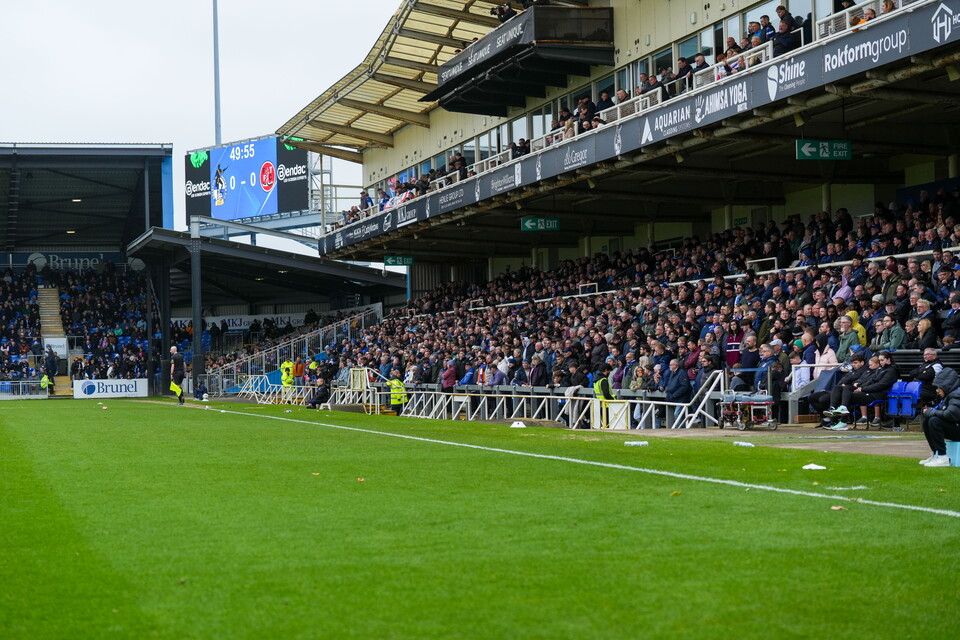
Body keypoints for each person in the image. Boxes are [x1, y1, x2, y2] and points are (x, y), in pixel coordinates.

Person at [919, 368, 960, 467]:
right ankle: (936, 454)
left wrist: (932, 412)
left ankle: (943, 457)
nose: (937, 391)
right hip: (955, 427)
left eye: (938, 387)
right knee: (927, 420)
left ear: (946, 386)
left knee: (934, 421)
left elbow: (951, 415)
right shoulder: (950, 395)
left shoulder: (956, 395)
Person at [593, 363, 616, 428]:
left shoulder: (596, 380)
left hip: (600, 403)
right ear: (606, 370)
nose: (609, 373)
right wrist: (613, 400)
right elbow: (606, 394)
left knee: (603, 423)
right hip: (607, 404)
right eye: (609, 371)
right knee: (608, 423)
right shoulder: (603, 380)